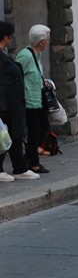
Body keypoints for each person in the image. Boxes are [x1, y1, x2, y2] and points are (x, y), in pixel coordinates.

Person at [0, 21, 39, 182]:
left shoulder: (4, 54)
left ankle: (20, 167)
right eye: (10, 36)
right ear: (5, 37)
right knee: (3, 136)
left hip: (11, 104)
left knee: (14, 135)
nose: (11, 40)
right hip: (3, 104)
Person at [16, 24, 51, 174]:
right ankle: (33, 162)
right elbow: (16, 74)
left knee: (42, 127)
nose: (48, 42)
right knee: (34, 131)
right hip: (30, 100)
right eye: (47, 39)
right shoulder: (25, 55)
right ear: (41, 41)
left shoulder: (37, 54)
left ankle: (29, 156)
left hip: (38, 98)